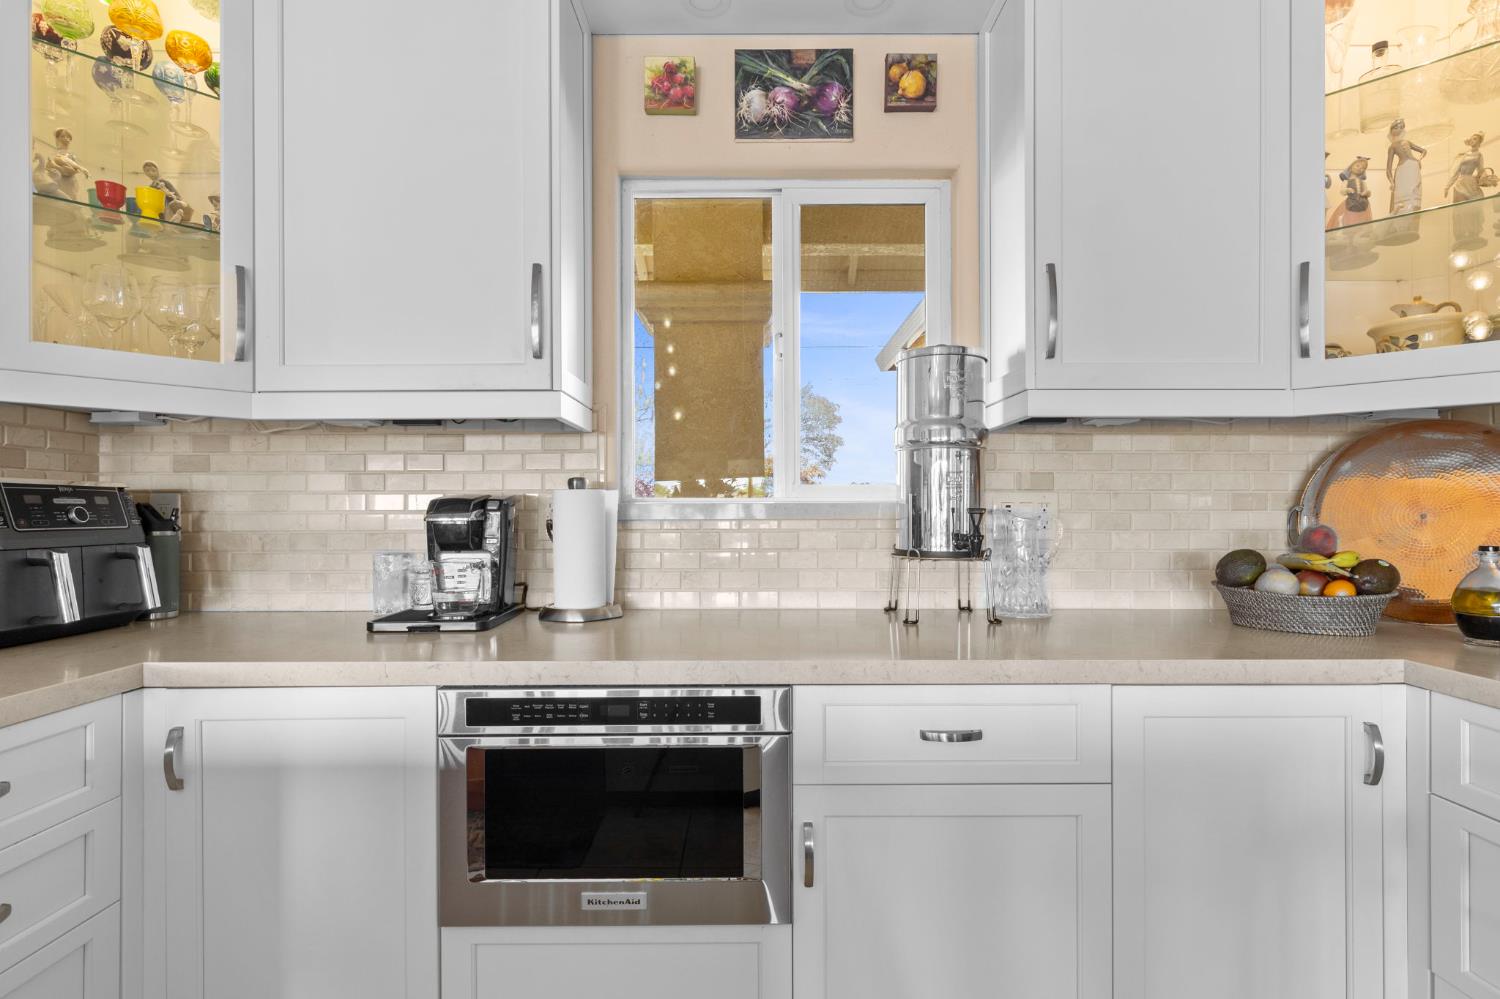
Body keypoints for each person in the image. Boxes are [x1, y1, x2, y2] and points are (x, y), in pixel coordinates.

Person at [1386, 118, 1427, 215]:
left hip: (1413, 169)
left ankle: (1412, 212)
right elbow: (1388, 169)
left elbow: (1424, 151)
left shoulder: (1407, 142)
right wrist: (1392, 182)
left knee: (1414, 193)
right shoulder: (1392, 146)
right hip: (1403, 170)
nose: (1398, 129)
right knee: (1402, 196)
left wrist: (1419, 160)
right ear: (1391, 130)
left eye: (1401, 127)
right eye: (1396, 127)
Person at [1327, 155, 1373, 228]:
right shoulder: (1346, 181)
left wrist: (1367, 193)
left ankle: (1360, 232)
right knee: (1350, 219)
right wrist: (1347, 190)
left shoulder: (1363, 182)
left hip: (1363, 204)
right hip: (1351, 203)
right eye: (1358, 166)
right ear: (1351, 167)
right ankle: (1350, 233)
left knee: (1362, 221)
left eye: (1363, 168)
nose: (1360, 169)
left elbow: (1367, 192)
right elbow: (1342, 191)